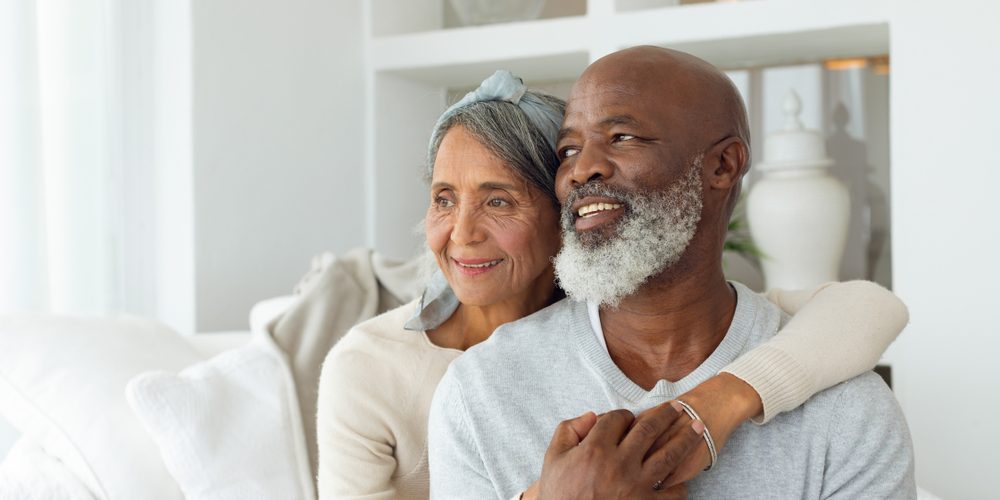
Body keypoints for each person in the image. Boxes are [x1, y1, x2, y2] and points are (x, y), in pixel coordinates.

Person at [318, 69, 909, 500]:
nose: (585, 167)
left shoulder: (843, 405)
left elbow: (866, 309)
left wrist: (721, 400)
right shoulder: (470, 392)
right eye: (570, 149)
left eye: (621, 137)